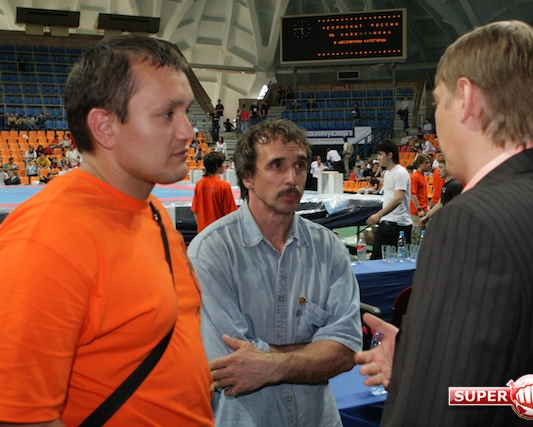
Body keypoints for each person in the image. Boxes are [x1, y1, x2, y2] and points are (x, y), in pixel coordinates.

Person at [356, 21, 533, 426]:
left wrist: (416, 385)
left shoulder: (470, 221)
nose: (436, 121)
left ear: (466, 98)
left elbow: (437, 414)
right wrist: (417, 363)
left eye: (439, 101)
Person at [0, 36, 214, 426]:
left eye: (187, 111)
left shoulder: (151, 212)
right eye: (168, 114)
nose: (188, 131)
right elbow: (21, 417)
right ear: (105, 126)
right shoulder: (45, 241)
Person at [188, 118, 361, 426]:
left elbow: (346, 351)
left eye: (300, 166)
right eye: (277, 166)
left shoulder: (328, 248)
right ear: (247, 177)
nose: (292, 179)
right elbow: (230, 365)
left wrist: (269, 364)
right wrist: (314, 351)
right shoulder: (210, 253)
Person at [366, 139, 412, 259]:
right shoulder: (387, 173)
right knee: (375, 260)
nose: (378, 158)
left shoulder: (400, 173)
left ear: (390, 155)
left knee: (400, 263)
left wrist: (378, 215)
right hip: (386, 223)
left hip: (399, 225)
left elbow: (398, 199)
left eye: (381, 154)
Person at [191, 151, 237, 233]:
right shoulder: (224, 186)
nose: (224, 165)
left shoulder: (199, 184)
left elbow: (195, 210)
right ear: (217, 166)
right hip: (219, 233)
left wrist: (201, 229)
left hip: (203, 232)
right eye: (223, 163)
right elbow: (230, 213)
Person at [418, 159, 462, 226]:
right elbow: (440, 203)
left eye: (441, 167)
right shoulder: (446, 185)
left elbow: (459, 207)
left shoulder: (455, 185)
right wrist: (427, 217)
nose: (438, 170)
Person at [409, 154, 431, 242]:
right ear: (419, 164)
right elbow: (413, 194)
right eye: (426, 163)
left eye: (429, 163)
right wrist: (419, 209)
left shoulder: (422, 176)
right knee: (416, 236)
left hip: (424, 209)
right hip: (417, 212)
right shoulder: (415, 177)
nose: (429, 165)